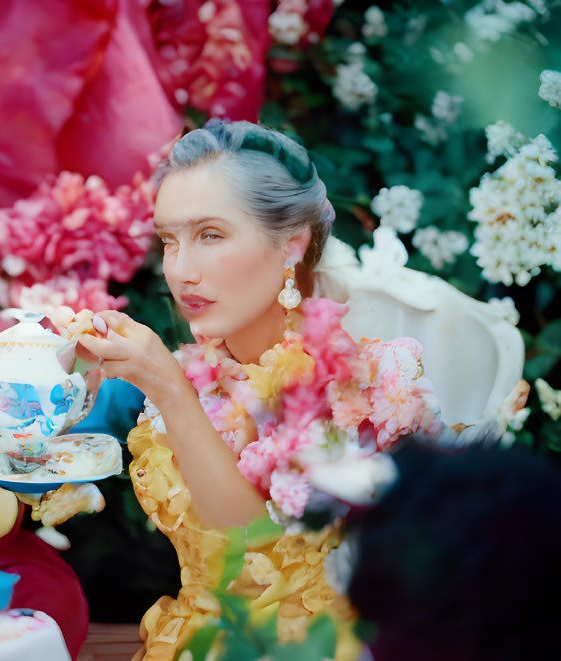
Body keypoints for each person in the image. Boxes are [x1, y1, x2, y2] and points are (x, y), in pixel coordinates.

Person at [75, 120, 442, 660]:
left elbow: (252, 558)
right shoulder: (181, 380)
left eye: (210, 235)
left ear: (292, 244)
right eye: (169, 241)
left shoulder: (371, 387)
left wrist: (171, 391)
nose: (180, 270)